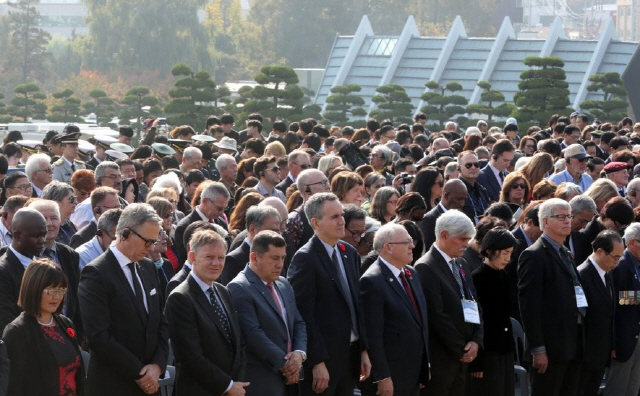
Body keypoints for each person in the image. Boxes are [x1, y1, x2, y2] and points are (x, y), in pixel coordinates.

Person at [78, 203, 169, 395]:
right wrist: (140, 373)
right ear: (126, 233)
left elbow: (160, 320)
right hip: (113, 385)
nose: (152, 248)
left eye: (154, 241)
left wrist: (157, 366)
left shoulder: (149, 268)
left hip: (150, 384)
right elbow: (98, 335)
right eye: (147, 242)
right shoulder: (96, 273)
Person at [287, 193, 371, 396]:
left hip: (350, 356)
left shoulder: (348, 253)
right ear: (316, 222)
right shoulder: (305, 259)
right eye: (334, 217)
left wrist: (364, 349)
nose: (342, 221)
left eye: (341, 215)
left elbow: (357, 304)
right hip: (324, 361)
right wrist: (317, 361)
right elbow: (303, 315)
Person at [164, 229, 247, 395]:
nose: (216, 263)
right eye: (209, 257)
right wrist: (227, 386)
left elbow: (238, 343)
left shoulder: (223, 292)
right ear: (193, 257)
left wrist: (235, 383)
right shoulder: (180, 298)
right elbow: (191, 357)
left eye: (221, 258)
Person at [518, 198, 585, 396]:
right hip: (550, 347)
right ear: (545, 222)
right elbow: (529, 306)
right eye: (561, 217)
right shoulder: (534, 255)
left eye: (569, 216)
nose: (567, 221)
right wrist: (538, 349)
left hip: (572, 342)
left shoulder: (565, 252)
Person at [227, 231, 307, 396]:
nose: (280, 265)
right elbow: (252, 334)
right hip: (262, 380)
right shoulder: (239, 288)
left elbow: (298, 322)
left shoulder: (283, 283)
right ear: (255, 258)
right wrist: (287, 365)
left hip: (291, 378)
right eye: (274, 258)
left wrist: (300, 354)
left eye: (283, 258)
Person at [414, 210, 483, 395]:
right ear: (444, 235)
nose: (466, 244)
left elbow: (474, 302)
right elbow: (436, 315)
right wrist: (461, 348)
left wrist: (476, 340)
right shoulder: (425, 267)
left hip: (464, 357)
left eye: (468, 239)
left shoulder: (461, 264)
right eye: (462, 239)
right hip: (442, 360)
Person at [359, 223, 430, 396]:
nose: (412, 246)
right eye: (406, 242)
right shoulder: (372, 281)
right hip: (391, 376)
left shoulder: (411, 274)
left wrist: (424, 366)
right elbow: (373, 336)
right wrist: (382, 377)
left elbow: (420, 323)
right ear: (388, 247)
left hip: (412, 374)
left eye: (411, 241)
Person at [3, 259, 83, 395]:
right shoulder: (18, 331)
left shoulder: (66, 323)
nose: (57, 297)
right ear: (34, 289)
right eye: (51, 291)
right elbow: (13, 387)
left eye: (61, 290)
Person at [469, 228, 517, 396]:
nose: (507, 258)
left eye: (510, 253)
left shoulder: (504, 276)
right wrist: (477, 361)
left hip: (504, 348)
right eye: (504, 253)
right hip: (486, 351)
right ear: (489, 251)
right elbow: (475, 321)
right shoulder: (477, 278)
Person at [577, 230, 621, 396]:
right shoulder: (582, 274)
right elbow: (580, 316)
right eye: (615, 257)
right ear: (600, 251)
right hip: (586, 355)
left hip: (601, 351)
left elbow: (613, 306)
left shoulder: (606, 273)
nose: (617, 262)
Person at [604, 223, 640, 396]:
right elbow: (616, 300)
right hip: (623, 339)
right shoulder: (620, 264)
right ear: (632, 243)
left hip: (636, 336)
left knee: (632, 387)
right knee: (618, 388)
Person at [0, 208, 47, 332]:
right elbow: (6, 322)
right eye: (36, 236)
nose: (42, 240)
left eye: (44, 234)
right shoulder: (3, 271)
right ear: (17, 235)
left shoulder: (44, 263)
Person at [220, 206, 282, 285]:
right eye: (272, 231)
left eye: (278, 232)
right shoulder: (234, 260)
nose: (276, 235)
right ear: (253, 230)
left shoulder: (278, 255)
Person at [174, 182, 230, 262]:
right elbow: (185, 261)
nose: (222, 213)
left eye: (225, 208)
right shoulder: (184, 227)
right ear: (205, 201)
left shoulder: (221, 223)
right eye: (219, 208)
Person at [419, 179, 468, 249]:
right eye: (459, 199)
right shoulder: (429, 220)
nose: (462, 204)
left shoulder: (462, 217)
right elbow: (429, 250)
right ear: (446, 196)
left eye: (464, 200)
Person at [458, 151, 490, 225]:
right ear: (458, 167)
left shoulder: (482, 190)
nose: (473, 168)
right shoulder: (455, 190)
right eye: (468, 165)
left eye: (476, 165)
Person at [42, 181, 78, 246]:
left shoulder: (70, 225)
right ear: (56, 203)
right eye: (72, 199)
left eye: (75, 198)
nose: (76, 202)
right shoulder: (48, 228)